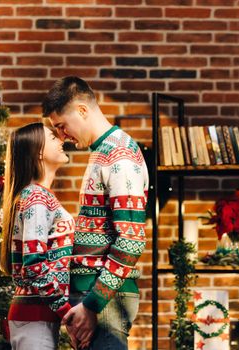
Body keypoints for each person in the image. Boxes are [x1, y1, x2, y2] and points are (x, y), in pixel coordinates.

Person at [42, 76, 149, 350]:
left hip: (104, 300)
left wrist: (91, 305)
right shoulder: (101, 152)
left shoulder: (120, 156)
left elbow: (131, 240)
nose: (63, 136)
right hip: (94, 297)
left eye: (62, 126)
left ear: (82, 110)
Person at [0, 122, 75, 349]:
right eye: (53, 138)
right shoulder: (37, 198)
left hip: (36, 315)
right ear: (39, 152)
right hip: (35, 315)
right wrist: (66, 311)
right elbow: (33, 265)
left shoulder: (38, 196)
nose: (61, 141)